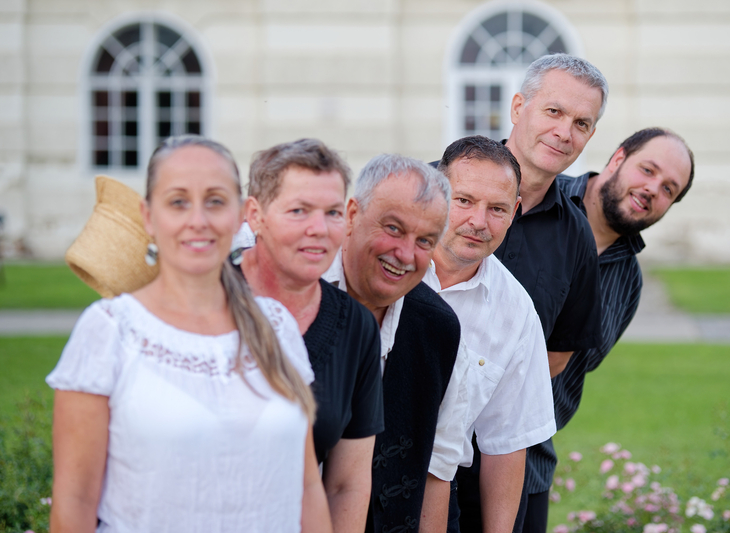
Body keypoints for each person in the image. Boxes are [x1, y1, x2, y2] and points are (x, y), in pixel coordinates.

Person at [47, 135, 332, 533]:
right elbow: (74, 502)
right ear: (149, 216)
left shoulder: (276, 327)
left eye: (215, 201)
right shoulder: (109, 332)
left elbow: (306, 488)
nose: (198, 220)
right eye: (178, 202)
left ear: (240, 215)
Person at [487, 53, 610, 532]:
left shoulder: (577, 234)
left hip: (521, 462)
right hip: (418, 446)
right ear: (519, 107)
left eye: (581, 123)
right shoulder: (440, 188)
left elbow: (557, 355)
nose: (564, 132)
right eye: (554, 112)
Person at [544, 127, 694, 516]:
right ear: (618, 158)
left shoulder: (629, 284)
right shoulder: (539, 200)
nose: (652, 189)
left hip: (530, 458)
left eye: (669, 189)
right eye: (648, 170)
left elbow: (577, 371)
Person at [236, 138, 384, 532]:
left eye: (332, 212)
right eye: (299, 211)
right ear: (255, 215)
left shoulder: (356, 326)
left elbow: (347, 484)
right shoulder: (207, 301)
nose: (318, 229)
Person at [321, 154, 470, 533]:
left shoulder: (439, 329)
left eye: (424, 241)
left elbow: (437, 469)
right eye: (393, 228)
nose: (405, 254)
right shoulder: (301, 297)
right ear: (352, 215)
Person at [422, 136, 556, 533]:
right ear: (437, 195)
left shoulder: (515, 313)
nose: (479, 222)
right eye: (464, 201)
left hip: (437, 492)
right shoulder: (386, 267)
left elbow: (507, 444)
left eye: (497, 208)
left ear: (514, 211)